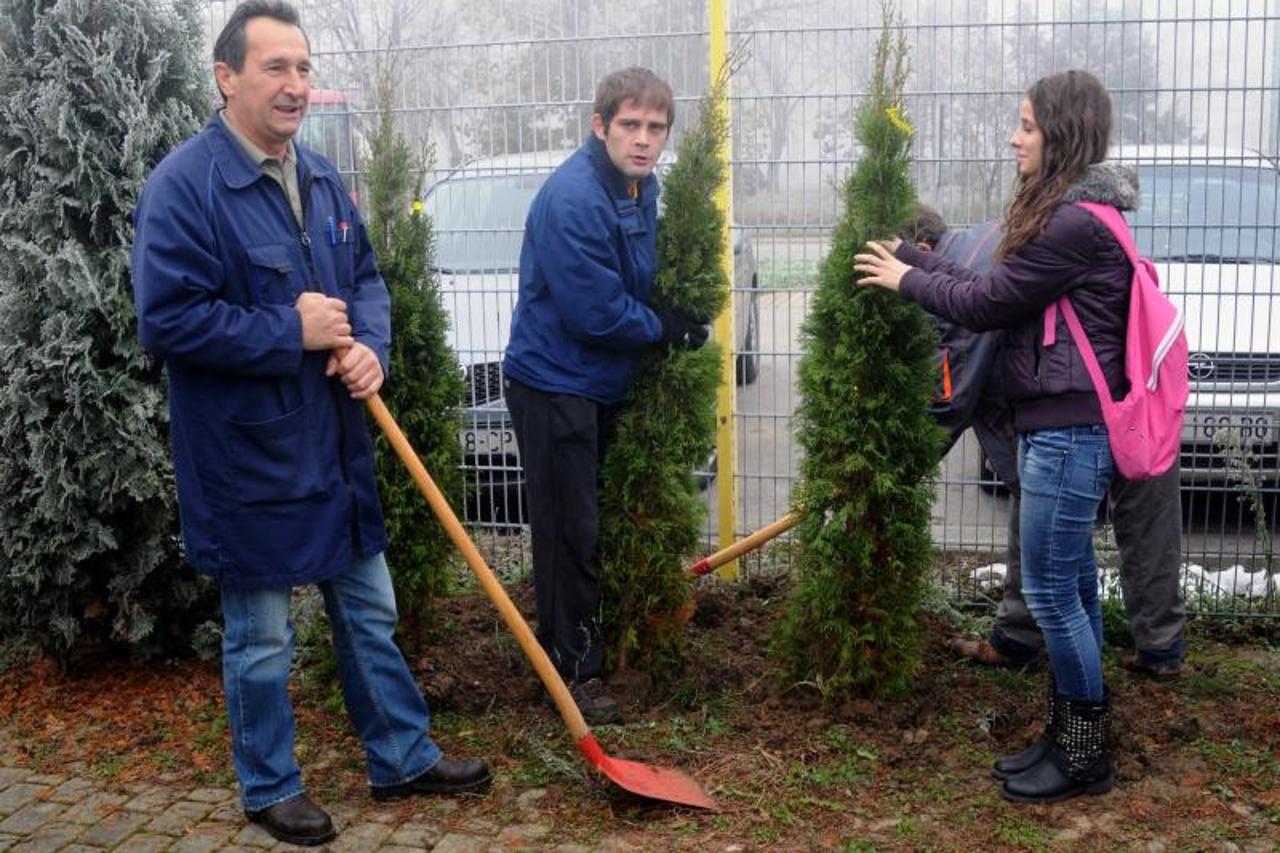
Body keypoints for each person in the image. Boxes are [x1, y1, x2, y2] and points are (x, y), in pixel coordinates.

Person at [131, 2, 489, 844]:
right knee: (260, 638)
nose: (295, 85)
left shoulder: (322, 178)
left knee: (369, 611)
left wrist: (370, 346)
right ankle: (268, 784)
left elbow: (364, 279)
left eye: (302, 67)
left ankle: (400, 755)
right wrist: (288, 330)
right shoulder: (185, 188)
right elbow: (168, 320)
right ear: (226, 78)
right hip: (245, 460)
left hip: (331, 443)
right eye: (274, 68)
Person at [856, 70, 1134, 804]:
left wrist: (903, 279)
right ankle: (1070, 737)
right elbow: (994, 283)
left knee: (1050, 593)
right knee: (1070, 587)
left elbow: (985, 303)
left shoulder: (1075, 224)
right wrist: (918, 257)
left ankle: (1082, 755)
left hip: (1069, 434)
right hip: (1061, 429)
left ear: (1061, 135)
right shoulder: (1072, 216)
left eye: (1028, 125)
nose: (1015, 137)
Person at [502, 67, 708, 725]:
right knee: (569, 532)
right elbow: (594, 311)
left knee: (592, 526)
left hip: (595, 382)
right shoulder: (575, 198)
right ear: (600, 125)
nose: (644, 140)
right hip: (554, 383)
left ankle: (577, 649)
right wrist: (663, 325)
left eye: (656, 128)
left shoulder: (639, 185)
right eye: (630, 126)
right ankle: (570, 673)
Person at [901, 207, 1187, 679]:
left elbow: (948, 400)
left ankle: (1056, 680)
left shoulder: (977, 268)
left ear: (922, 251)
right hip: (1139, 396)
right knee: (1147, 524)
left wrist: (893, 469)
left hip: (1081, 414)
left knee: (1051, 556)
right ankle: (1160, 650)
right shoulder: (991, 236)